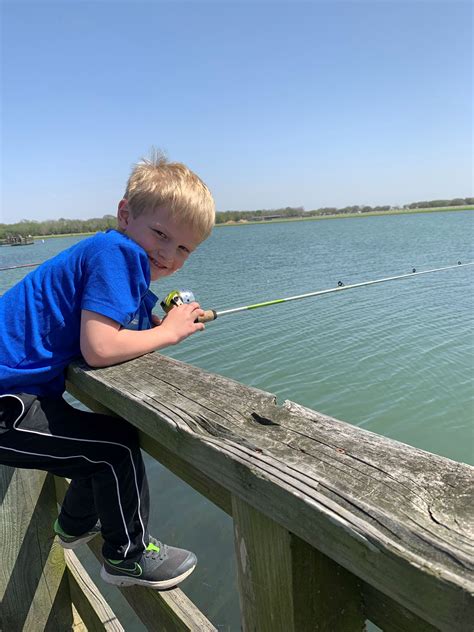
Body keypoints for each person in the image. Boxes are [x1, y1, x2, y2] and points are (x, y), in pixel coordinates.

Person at [0, 151, 215, 589]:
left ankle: (75, 525)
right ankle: (126, 557)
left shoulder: (114, 255)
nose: (168, 254)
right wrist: (170, 334)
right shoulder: (117, 252)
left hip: (18, 395)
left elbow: (124, 329)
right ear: (125, 214)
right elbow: (99, 348)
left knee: (101, 441)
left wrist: (160, 323)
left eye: (183, 249)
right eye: (160, 233)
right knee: (113, 450)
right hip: (8, 404)